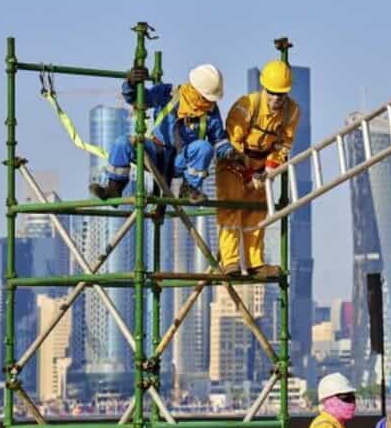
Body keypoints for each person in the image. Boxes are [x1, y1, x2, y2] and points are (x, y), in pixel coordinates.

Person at [90, 63, 231, 203]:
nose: (209, 102)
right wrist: (131, 83)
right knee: (122, 142)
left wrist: (231, 152)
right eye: (206, 97)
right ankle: (114, 188)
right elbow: (138, 99)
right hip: (155, 154)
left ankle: (189, 189)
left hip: (180, 160)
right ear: (195, 89)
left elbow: (218, 141)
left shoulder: (210, 111)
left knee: (204, 147)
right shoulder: (166, 94)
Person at [215, 60, 300, 275]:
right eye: (272, 93)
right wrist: (246, 173)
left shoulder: (292, 112)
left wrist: (269, 169)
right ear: (264, 88)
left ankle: (255, 263)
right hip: (234, 164)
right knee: (231, 208)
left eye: (281, 94)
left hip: (262, 166)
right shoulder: (247, 106)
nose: (276, 99)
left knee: (256, 214)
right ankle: (230, 262)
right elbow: (232, 144)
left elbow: (284, 144)